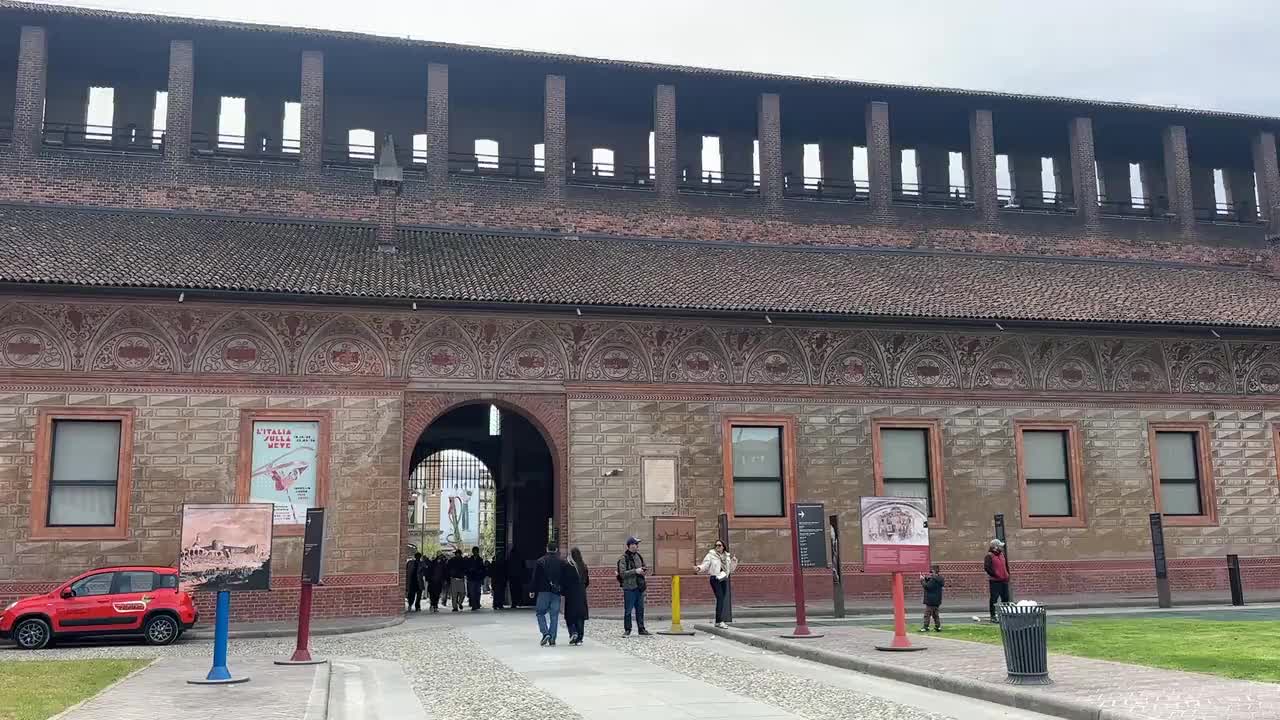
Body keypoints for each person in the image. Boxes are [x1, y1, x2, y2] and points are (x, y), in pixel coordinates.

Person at [694, 539, 736, 628]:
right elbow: (705, 565)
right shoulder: (711, 555)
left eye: (719, 545)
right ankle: (719, 621)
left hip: (723, 578)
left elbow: (731, 570)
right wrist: (699, 568)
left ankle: (718, 621)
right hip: (715, 578)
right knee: (720, 598)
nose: (717, 547)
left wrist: (734, 562)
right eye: (716, 545)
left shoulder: (727, 556)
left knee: (722, 599)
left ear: (723, 547)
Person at [616, 536, 650, 636]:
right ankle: (627, 629)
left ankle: (641, 629)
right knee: (628, 610)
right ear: (630, 545)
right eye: (635, 544)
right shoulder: (623, 558)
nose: (637, 546)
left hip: (639, 587)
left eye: (637, 544)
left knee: (640, 609)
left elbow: (643, 566)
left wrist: (643, 571)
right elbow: (622, 573)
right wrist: (635, 571)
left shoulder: (639, 556)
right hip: (629, 588)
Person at [531, 543, 563, 646]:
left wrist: (532, 590)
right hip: (556, 591)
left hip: (543, 591)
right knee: (554, 616)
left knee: (540, 613)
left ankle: (545, 633)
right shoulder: (562, 562)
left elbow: (535, 577)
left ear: (547, 549)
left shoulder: (540, 561)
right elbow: (564, 577)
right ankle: (552, 638)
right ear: (556, 549)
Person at [562, 547, 590, 645]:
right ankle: (580, 638)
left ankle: (573, 632)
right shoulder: (584, 566)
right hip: (581, 593)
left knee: (570, 615)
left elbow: (564, 581)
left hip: (570, 593)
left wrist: (563, 591)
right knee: (580, 617)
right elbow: (587, 582)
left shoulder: (568, 566)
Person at [984, 539, 1011, 623]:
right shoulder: (989, 556)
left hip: (1004, 580)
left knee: (1006, 598)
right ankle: (993, 616)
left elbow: (1006, 566)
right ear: (995, 547)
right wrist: (996, 574)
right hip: (995, 581)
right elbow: (987, 568)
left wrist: (1007, 575)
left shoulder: (1002, 555)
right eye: (1000, 546)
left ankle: (1005, 615)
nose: (1001, 547)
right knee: (994, 599)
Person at [920, 565, 945, 632]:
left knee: (927, 615)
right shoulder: (940, 579)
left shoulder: (934, 580)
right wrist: (926, 579)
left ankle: (926, 627)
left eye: (931, 572)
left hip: (931, 600)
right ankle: (938, 627)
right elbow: (931, 583)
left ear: (934, 571)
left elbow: (927, 586)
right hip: (937, 600)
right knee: (935, 615)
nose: (930, 573)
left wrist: (922, 580)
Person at [466, 546, 487, 611]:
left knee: (477, 592)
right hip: (471, 578)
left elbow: (483, 570)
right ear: (472, 552)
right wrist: (470, 571)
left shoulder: (480, 560)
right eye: (474, 551)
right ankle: (474, 605)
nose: (475, 552)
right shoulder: (469, 560)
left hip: (478, 579)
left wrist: (481, 576)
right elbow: (466, 569)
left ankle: (477, 603)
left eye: (476, 551)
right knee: (472, 592)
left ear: (478, 552)